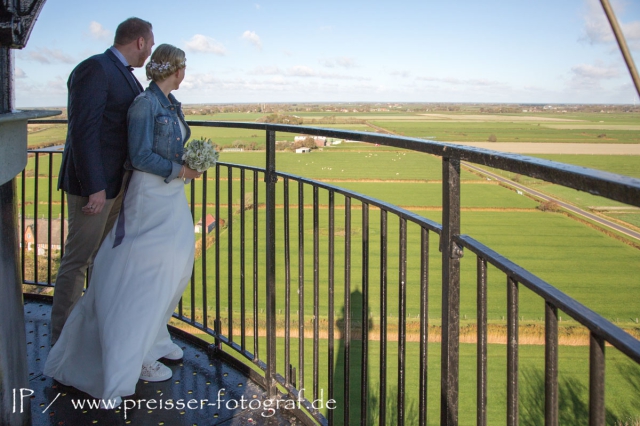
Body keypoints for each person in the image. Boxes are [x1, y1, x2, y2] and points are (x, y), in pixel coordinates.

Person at [44, 44, 201, 407]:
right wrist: (180, 170)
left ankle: (155, 339)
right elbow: (140, 155)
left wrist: (191, 160)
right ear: (175, 70)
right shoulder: (145, 105)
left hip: (171, 196)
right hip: (150, 196)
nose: (185, 73)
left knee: (177, 268)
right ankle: (135, 356)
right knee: (148, 272)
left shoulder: (171, 104)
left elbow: (169, 146)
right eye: (184, 67)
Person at [51, 17, 154, 345]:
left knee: (100, 258)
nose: (150, 52)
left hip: (115, 183)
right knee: (78, 259)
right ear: (139, 41)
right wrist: (94, 186)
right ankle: (60, 342)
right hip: (93, 188)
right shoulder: (95, 68)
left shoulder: (123, 74)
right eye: (149, 45)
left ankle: (87, 331)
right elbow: (83, 131)